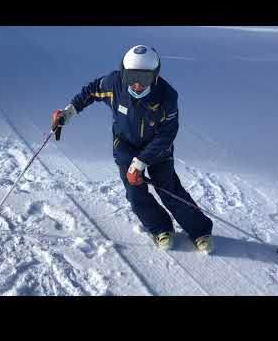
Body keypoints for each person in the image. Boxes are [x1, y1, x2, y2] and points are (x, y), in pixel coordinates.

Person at [51, 45, 214, 253]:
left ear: (155, 76)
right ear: (123, 73)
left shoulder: (167, 96)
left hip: (158, 149)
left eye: (144, 78)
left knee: (169, 189)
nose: (137, 84)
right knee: (135, 194)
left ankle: (200, 231)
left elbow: (167, 133)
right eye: (131, 77)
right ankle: (160, 228)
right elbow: (90, 91)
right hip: (125, 145)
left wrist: (141, 162)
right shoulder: (114, 83)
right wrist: (68, 113)